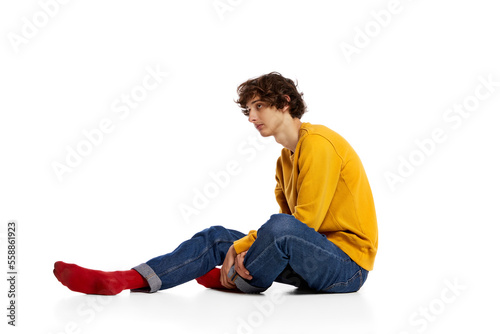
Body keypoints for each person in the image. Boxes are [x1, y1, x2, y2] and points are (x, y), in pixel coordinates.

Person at [53, 72, 378, 295]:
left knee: (276, 230)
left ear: (285, 102)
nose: (252, 117)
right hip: (307, 261)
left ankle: (235, 280)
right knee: (217, 237)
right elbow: (290, 231)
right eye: (249, 110)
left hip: (346, 268)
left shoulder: (319, 143)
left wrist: (245, 246)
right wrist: (243, 244)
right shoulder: (284, 161)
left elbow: (302, 224)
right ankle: (127, 279)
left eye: (259, 106)